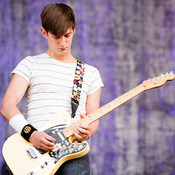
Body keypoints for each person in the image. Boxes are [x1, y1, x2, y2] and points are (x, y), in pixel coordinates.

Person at [0, 3, 103, 175]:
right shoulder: (30, 64)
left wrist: (87, 132)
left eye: (67, 35)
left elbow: (93, 118)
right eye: (56, 36)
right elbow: (7, 106)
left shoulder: (90, 73)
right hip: (31, 149)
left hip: (72, 151)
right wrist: (31, 134)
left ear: (74, 29)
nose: (63, 42)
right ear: (44, 33)